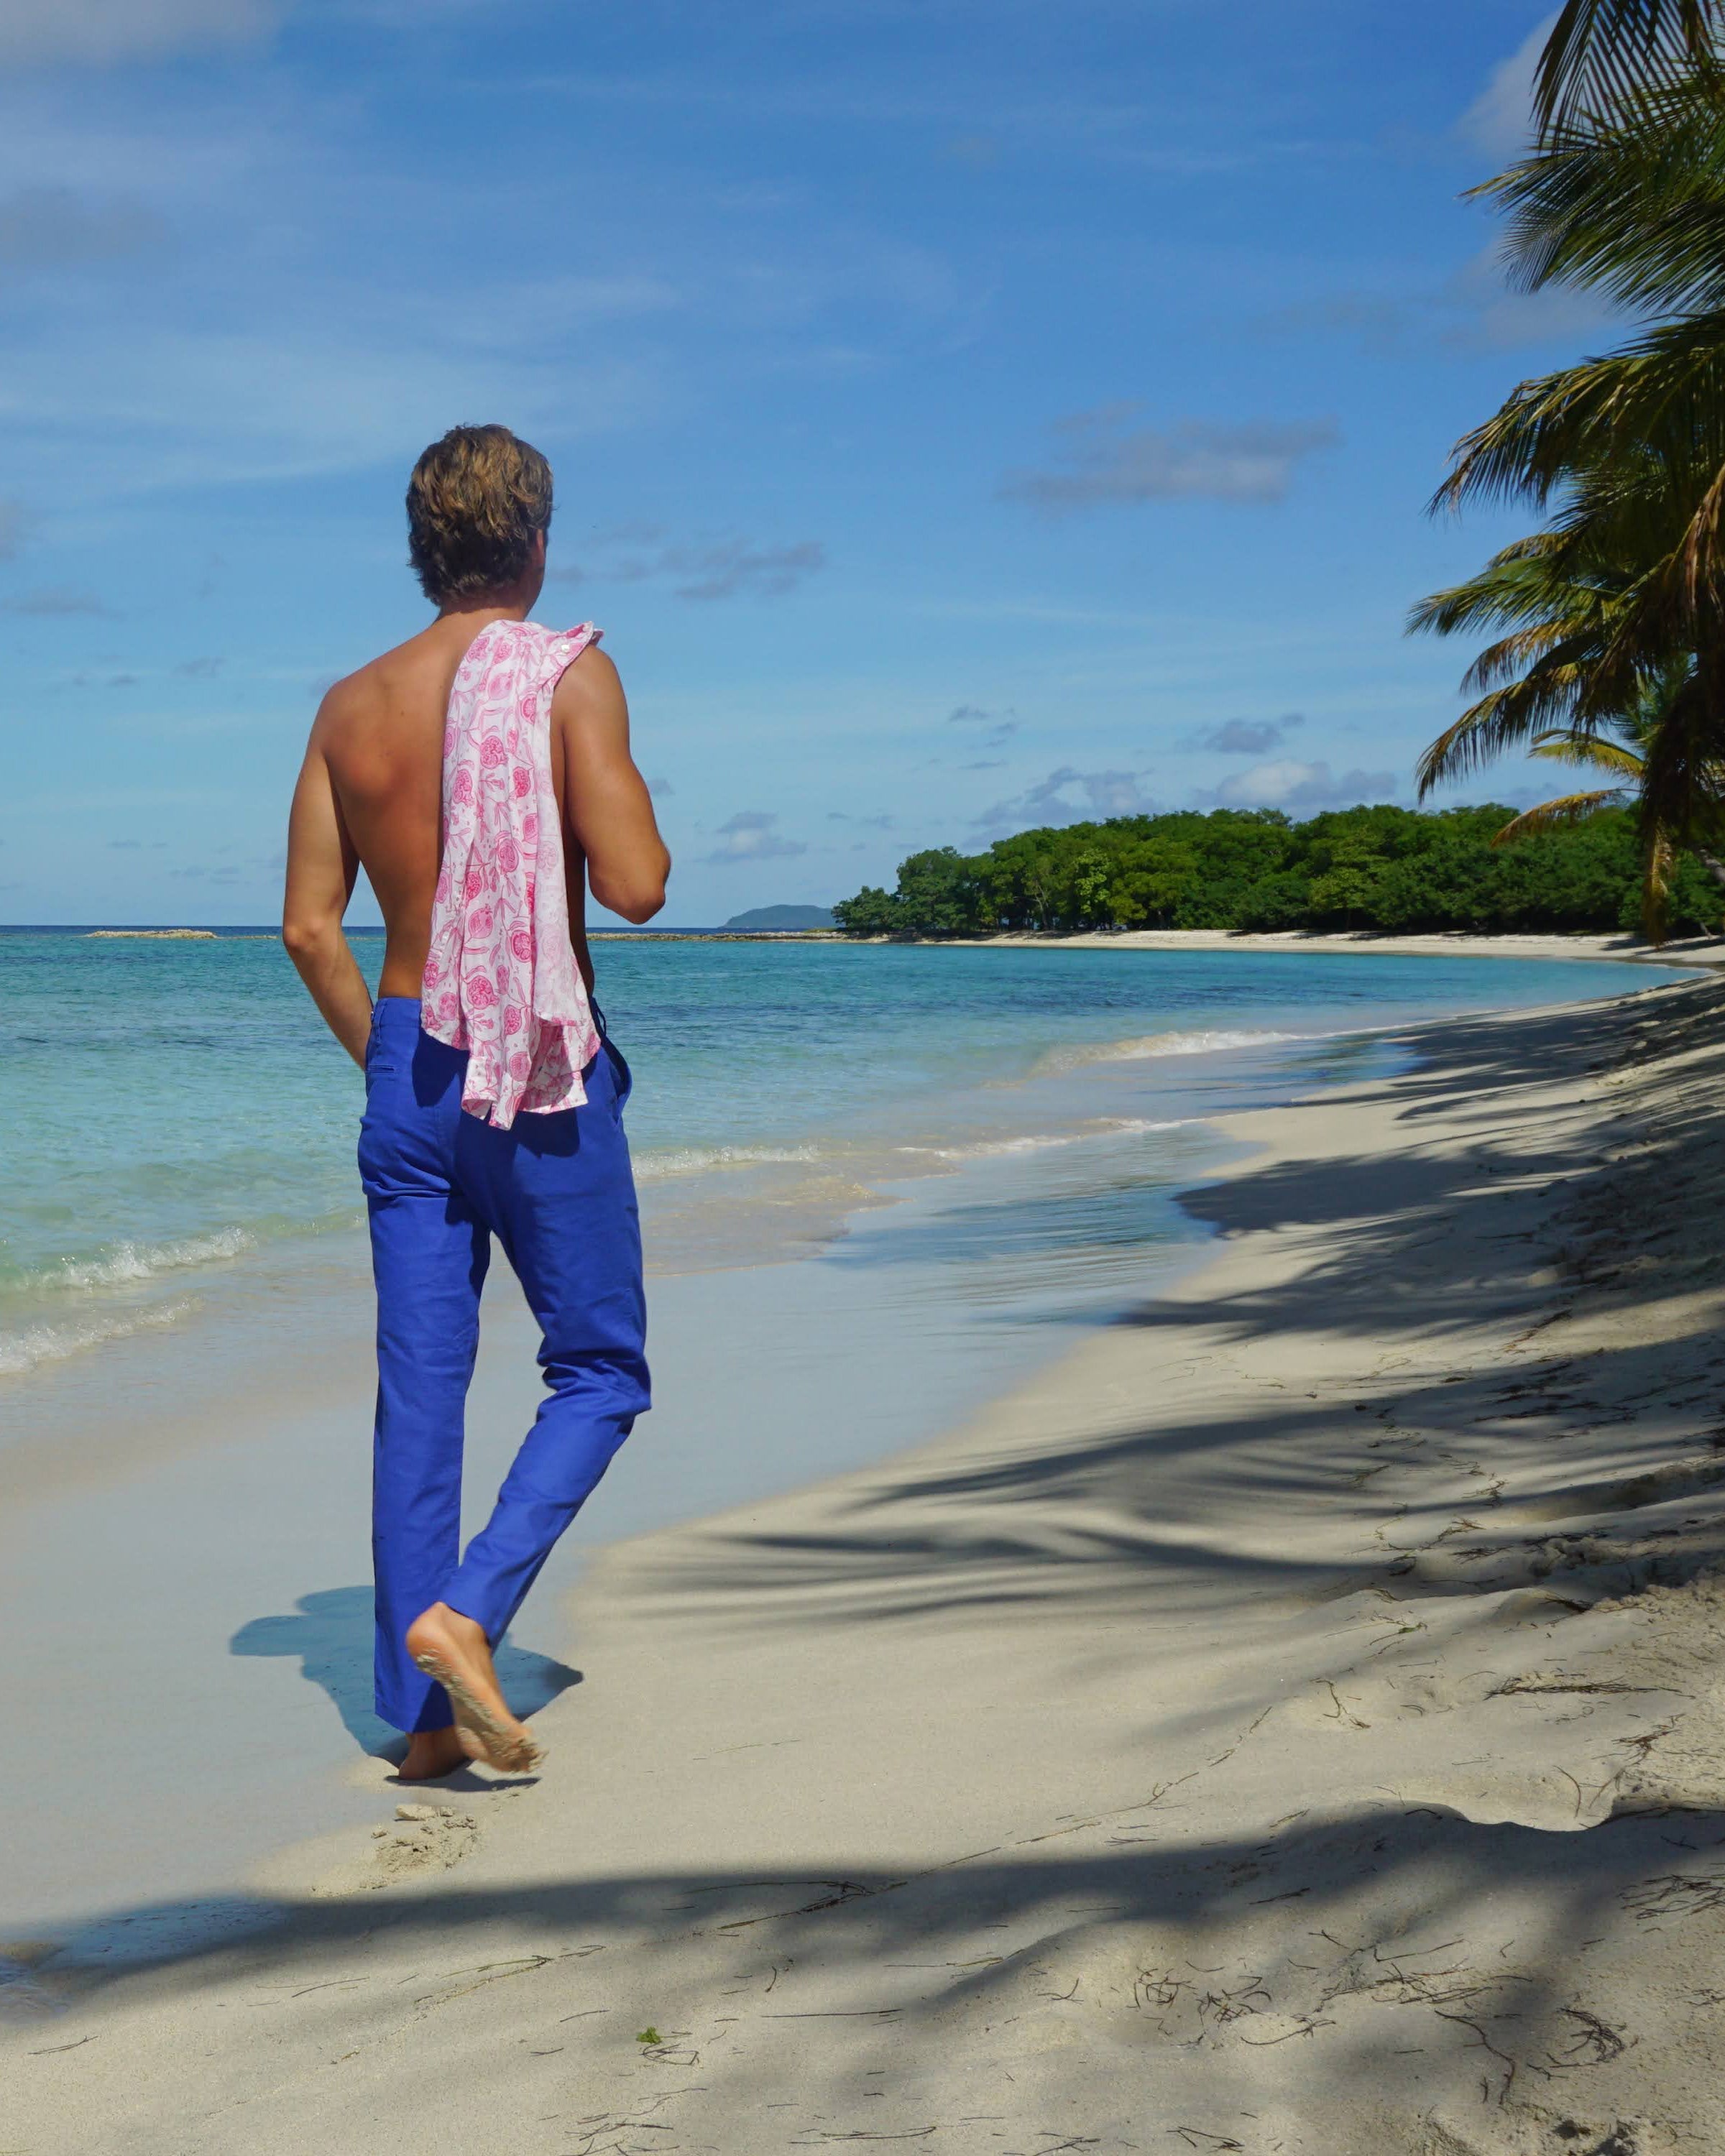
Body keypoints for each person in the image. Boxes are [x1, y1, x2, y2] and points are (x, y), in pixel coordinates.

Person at [281, 424, 670, 1780]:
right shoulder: (565, 677)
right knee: (600, 1368)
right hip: (540, 1073)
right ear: (538, 543)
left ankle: (425, 1728)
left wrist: (400, 1073)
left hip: (406, 1053)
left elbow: (310, 934)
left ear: (421, 550)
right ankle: (471, 1611)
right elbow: (634, 885)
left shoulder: (350, 706)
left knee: (421, 1394)